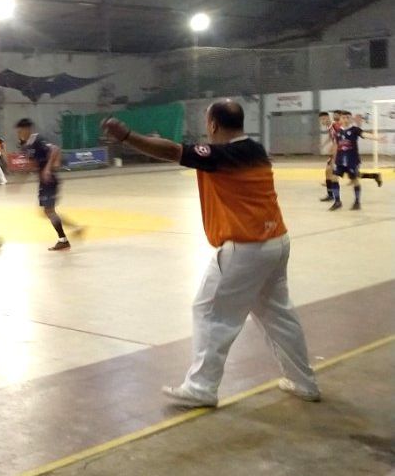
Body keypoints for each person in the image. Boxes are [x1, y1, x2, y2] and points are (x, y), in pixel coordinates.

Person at [101, 100, 320, 407]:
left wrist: (127, 137)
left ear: (213, 125)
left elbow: (171, 151)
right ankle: (304, 382)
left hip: (246, 249)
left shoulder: (221, 155)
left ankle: (201, 387)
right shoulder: (255, 150)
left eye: (208, 123)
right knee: (278, 315)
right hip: (276, 242)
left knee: (210, 311)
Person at [15, 118, 80, 251]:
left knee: (49, 211)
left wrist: (48, 168)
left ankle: (65, 238)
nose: (19, 133)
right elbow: (32, 165)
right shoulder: (26, 146)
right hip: (43, 181)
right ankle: (68, 234)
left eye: (20, 130)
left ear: (27, 129)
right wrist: (19, 182)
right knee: (47, 211)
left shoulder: (37, 140)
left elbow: (55, 149)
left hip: (49, 180)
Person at [330, 111, 381, 211]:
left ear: (350, 119)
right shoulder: (338, 132)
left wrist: (376, 138)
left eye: (347, 118)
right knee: (334, 178)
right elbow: (336, 145)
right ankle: (337, 202)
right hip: (340, 160)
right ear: (340, 120)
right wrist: (333, 159)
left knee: (354, 180)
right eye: (343, 118)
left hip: (352, 160)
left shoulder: (355, 130)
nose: (345, 120)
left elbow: (365, 134)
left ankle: (357, 202)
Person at [317, 112, 339, 202]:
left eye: (322, 119)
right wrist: (323, 145)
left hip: (339, 153)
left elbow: (339, 140)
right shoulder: (329, 127)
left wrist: (334, 152)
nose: (321, 122)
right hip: (335, 152)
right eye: (320, 120)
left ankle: (335, 197)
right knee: (328, 171)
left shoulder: (335, 126)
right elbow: (331, 137)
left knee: (334, 173)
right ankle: (330, 195)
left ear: (327, 118)